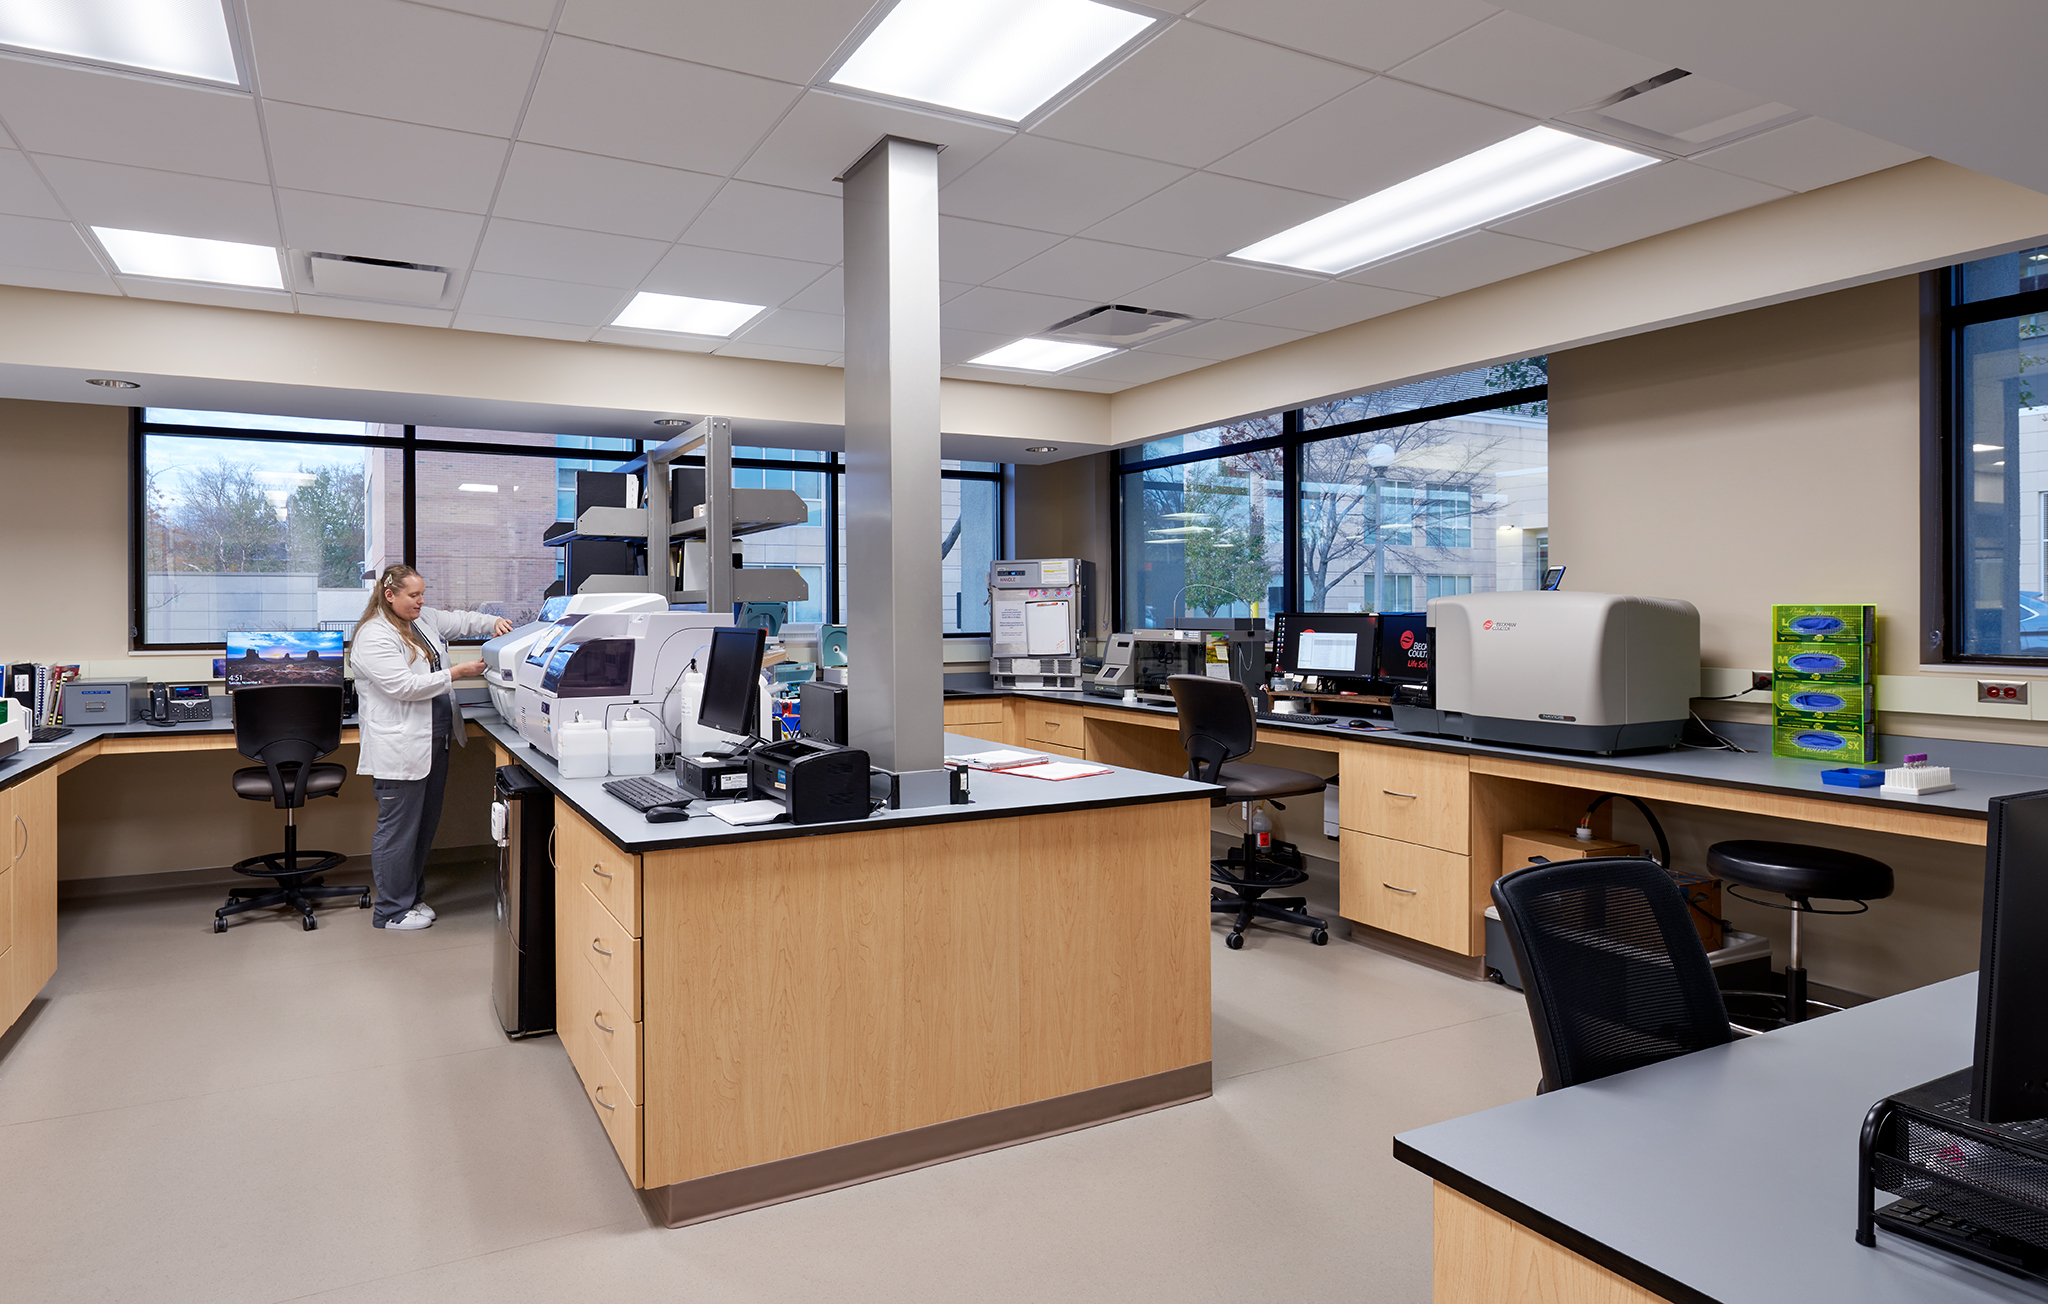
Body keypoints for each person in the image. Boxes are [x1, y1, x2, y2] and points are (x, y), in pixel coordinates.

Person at [349, 564, 513, 930]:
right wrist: (456, 673)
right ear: (390, 595)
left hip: (434, 741)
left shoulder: (420, 620)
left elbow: (461, 621)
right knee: (398, 830)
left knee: (423, 827)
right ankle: (390, 911)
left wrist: (493, 623)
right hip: (401, 747)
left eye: (423, 594)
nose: (421, 601)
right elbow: (404, 686)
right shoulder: (375, 635)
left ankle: (411, 899)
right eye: (413, 595)